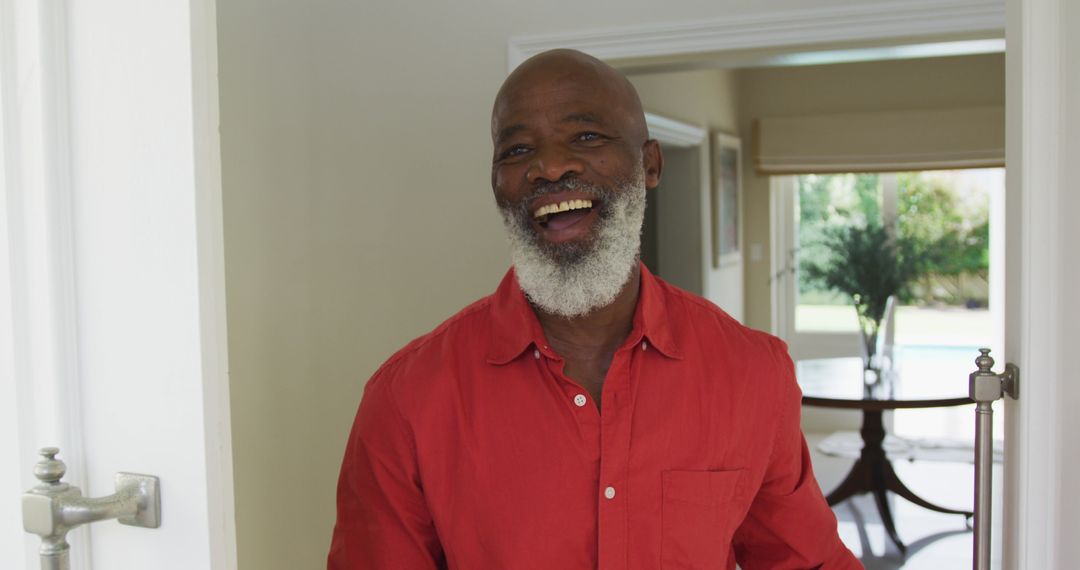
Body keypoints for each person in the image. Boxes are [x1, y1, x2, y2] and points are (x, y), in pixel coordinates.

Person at [328, 49, 861, 569]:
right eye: (516, 150)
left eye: (586, 136)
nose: (550, 166)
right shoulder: (407, 399)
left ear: (649, 164)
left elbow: (805, 560)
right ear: (496, 186)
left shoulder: (750, 373)